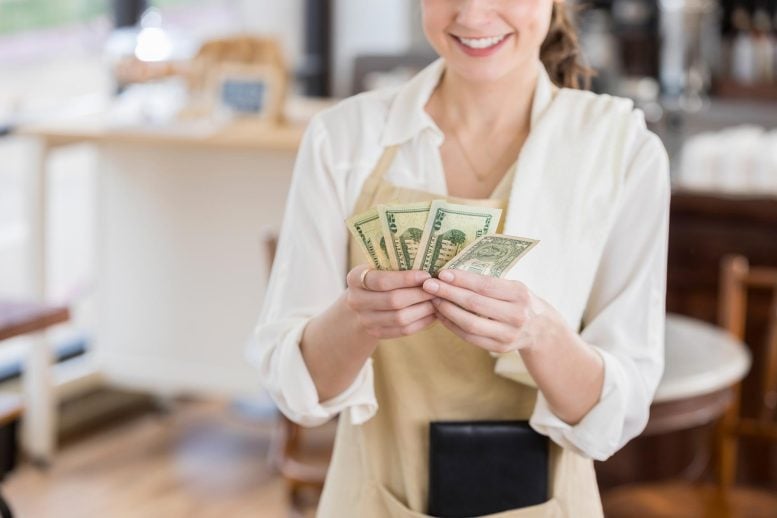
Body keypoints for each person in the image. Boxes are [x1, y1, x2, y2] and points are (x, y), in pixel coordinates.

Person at [250, 0, 669, 516]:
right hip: (371, 497)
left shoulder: (622, 150)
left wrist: (539, 333)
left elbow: (618, 413)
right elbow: (297, 390)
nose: (471, 15)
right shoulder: (342, 139)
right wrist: (357, 318)